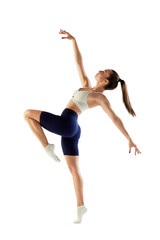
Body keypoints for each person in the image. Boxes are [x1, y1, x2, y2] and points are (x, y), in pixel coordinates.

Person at [24, 29, 141, 224]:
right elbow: (79, 62)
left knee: (27, 114)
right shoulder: (86, 85)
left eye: (104, 71)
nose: (101, 69)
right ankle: (81, 207)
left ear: (105, 81)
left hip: (67, 122)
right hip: (73, 129)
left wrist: (129, 139)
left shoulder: (100, 98)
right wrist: (74, 40)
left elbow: (115, 119)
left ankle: (47, 146)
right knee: (74, 170)